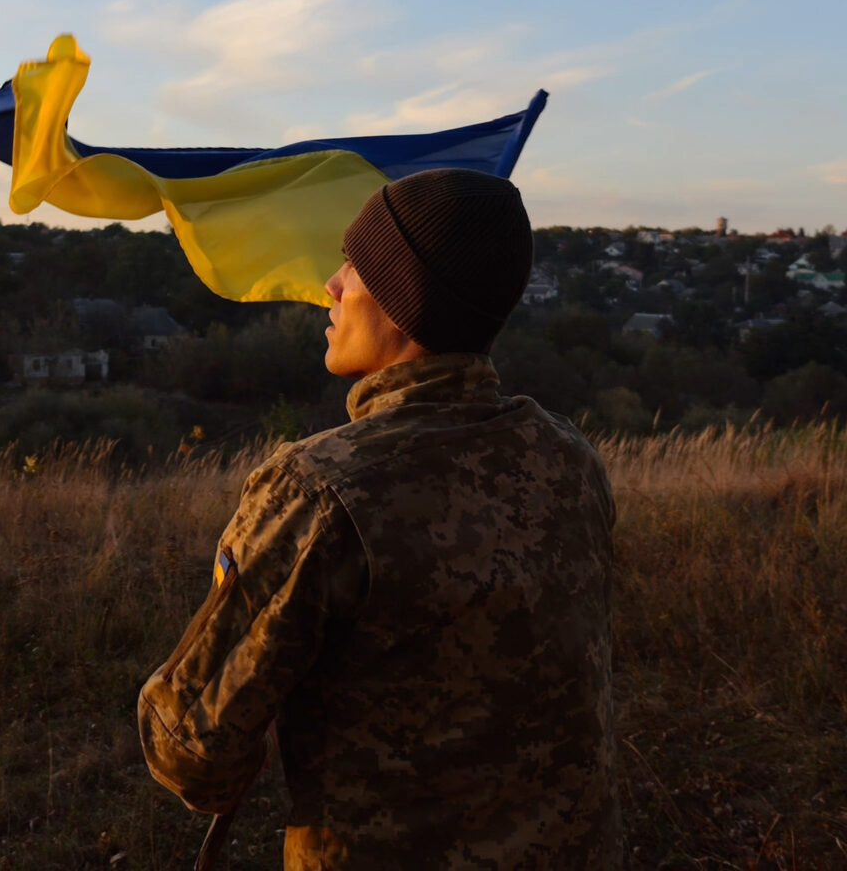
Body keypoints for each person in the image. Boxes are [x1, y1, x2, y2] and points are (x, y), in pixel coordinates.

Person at [137, 168, 619, 869]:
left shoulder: (316, 491)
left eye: (353, 263)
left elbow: (192, 749)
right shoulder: (570, 461)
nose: (330, 286)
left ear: (401, 298)